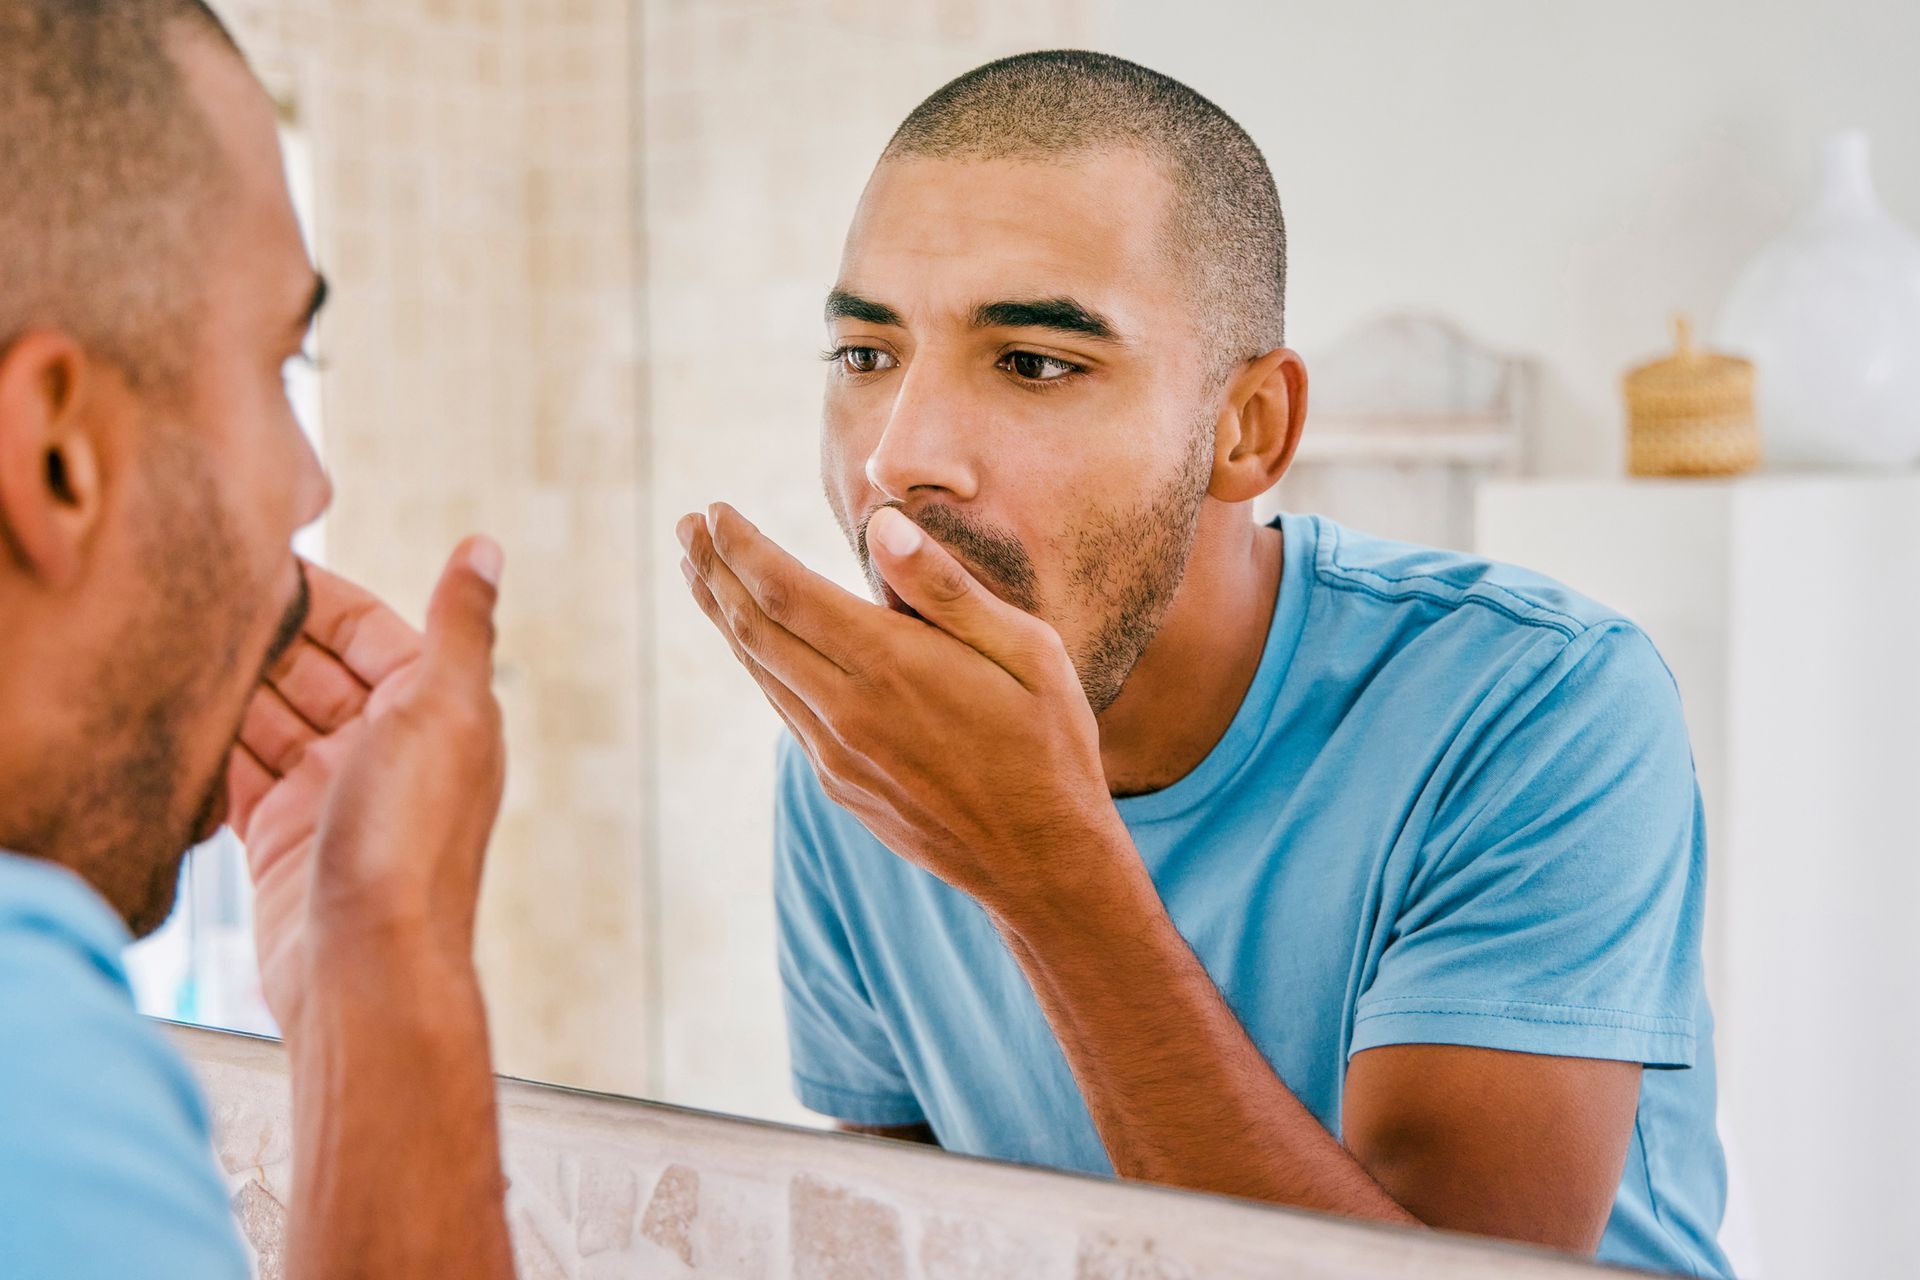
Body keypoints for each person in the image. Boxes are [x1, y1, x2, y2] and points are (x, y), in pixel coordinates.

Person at [679, 50, 1731, 1277]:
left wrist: (1046, 873)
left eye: (1032, 360)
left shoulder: (1539, 706)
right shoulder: (856, 766)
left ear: (1250, 430)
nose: (899, 459)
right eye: (867, 355)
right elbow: (916, 1241)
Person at [0, 3, 515, 1275]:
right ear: (57, 452)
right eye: (283, 365)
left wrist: (373, 952)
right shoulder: (34, 1078)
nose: (312, 484)